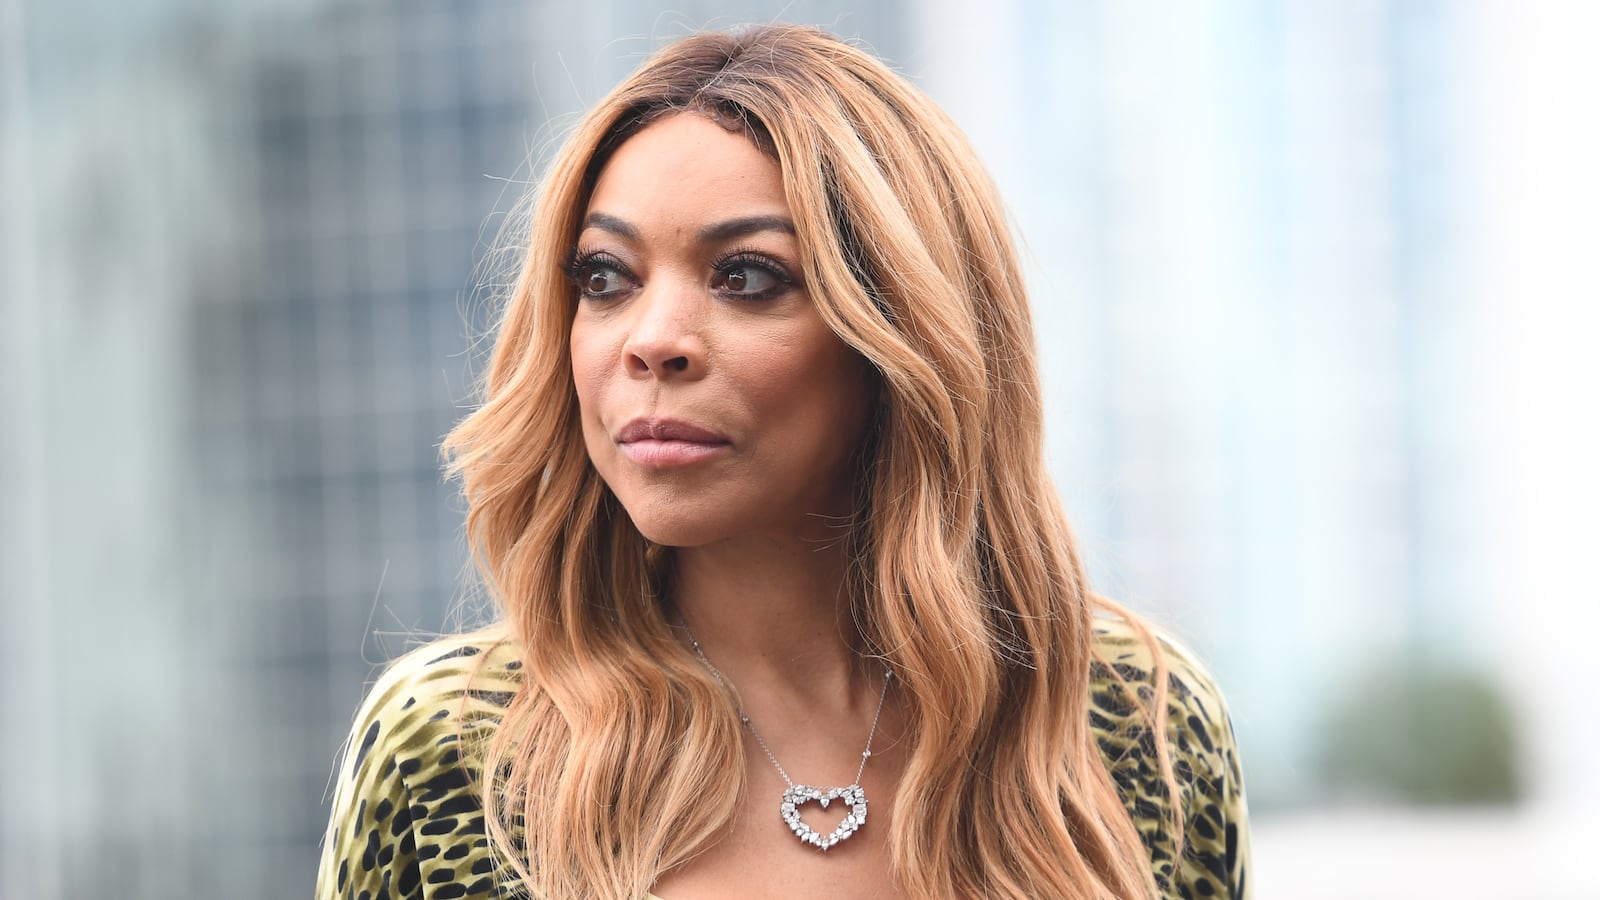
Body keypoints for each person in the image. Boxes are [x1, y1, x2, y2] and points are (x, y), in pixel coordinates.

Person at [316, 24, 1250, 900]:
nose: (653, 341)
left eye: (747, 276)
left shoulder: (1138, 727)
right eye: (606, 277)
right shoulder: (451, 755)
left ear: (900, 337)